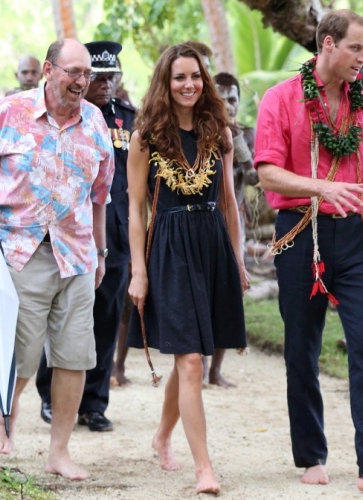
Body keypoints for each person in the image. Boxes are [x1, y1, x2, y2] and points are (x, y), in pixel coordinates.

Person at [255, 9, 363, 493]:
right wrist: (320, 189)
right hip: (298, 232)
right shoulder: (280, 98)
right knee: (301, 350)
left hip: (352, 236)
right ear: (327, 44)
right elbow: (267, 172)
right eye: (356, 48)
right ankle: (311, 455)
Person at [0, 38, 114, 480]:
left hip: (78, 254)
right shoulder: (11, 112)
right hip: (22, 251)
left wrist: (100, 252)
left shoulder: (96, 123)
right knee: (21, 354)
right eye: (73, 73)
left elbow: (100, 195)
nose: (82, 82)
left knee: (74, 356)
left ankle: (58, 452)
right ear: (49, 70)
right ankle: (4, 413)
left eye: (87, 74)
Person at [125, 43, 248, 495]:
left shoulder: (220, 132)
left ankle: (161, 436)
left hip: (212, 243)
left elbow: (231, 204)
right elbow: (136, 210)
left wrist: (237, 261)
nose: (189, 84)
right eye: (179, 77)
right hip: (170, 248)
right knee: (191, 359)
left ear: (205, 79)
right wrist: (139, 271)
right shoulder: (146, 138)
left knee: (190, 356)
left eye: (195, 76)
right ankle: (204, 470)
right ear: (165, 81)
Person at [35, 41, 135, 432]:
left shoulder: (129, 118)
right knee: (60, 319)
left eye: (113, 77)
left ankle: (94, 404)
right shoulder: (65, 117)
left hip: (116, 236)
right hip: (70, 236)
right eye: (100, 77)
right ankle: (49, 396)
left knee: (106, 320)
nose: (107, 84)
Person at [200, 71, 258, 388]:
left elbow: (252, 180)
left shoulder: (242, 135)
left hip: (232, 226)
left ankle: (215, 370)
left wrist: (241, 148)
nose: (228, 104)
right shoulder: (200, 130)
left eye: (233, 99)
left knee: (229, 296)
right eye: (222, 98)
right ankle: (200, 365)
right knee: (203, 297)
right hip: (205, 224)